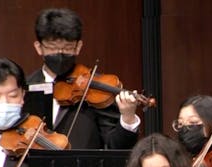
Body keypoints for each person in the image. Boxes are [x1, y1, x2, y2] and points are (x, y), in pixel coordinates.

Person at [28, 7, 140, 149]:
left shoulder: (95, 89)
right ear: (39, 47)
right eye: (52, 47)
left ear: (78, 47)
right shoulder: (26, 87)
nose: (60, 54)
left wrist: (128, 118)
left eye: (68, 48)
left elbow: (115, 146)